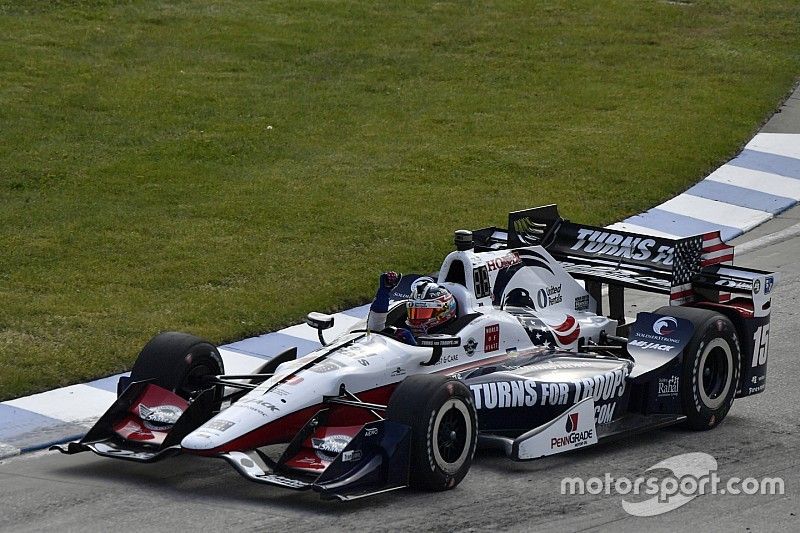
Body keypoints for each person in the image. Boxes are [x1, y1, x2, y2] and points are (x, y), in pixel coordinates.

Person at [367, 271, 458, 344]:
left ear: (443, 311)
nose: (416, 320)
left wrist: (412, 344)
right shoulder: (405, 331)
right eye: (415, 312)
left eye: (424, 313)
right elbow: (374, 333)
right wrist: (383, 294)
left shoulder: (455, 337)